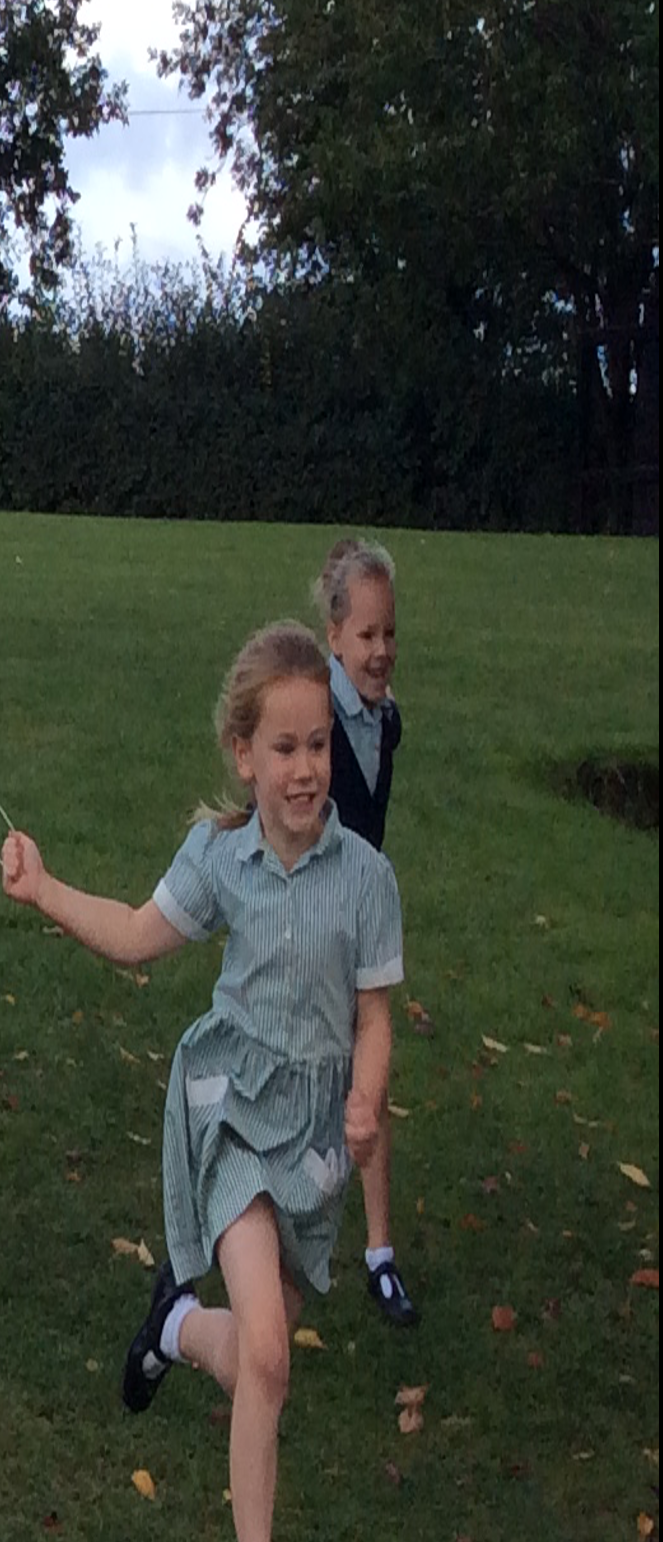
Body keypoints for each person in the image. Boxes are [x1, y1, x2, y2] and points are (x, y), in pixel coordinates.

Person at [0, 621, 401, 1542]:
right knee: (269, 1347)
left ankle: (172, 1326)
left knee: (260, 1358)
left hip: (313, 1141)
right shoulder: (221, 859)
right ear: (243, 754)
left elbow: (374, 1016)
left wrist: (365, 1099)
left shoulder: (367, 879)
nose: (305, 768)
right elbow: (138, 935)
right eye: (284, 748)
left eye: (318, 745)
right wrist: (44, 889)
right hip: (227, 1114)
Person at [315, 536, 414, 1325]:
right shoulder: (312, 715)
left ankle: (379, 1254)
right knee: (297, 1082)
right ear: (333, 637)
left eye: (388, 634)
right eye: (365, 635)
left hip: (363, 927)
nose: (379, 650)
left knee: (369, 1083)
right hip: (308, 926)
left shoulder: (387, 722)